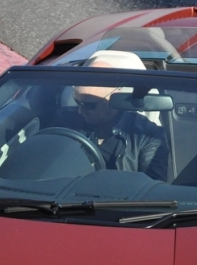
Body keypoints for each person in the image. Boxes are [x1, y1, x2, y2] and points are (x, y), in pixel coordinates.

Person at [67, 52, 168, 181]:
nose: (80, 111)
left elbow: (151, 191)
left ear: (114, 98)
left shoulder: (148, 136)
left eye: (90, 105)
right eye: (78, 103)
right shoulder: (65, 120)